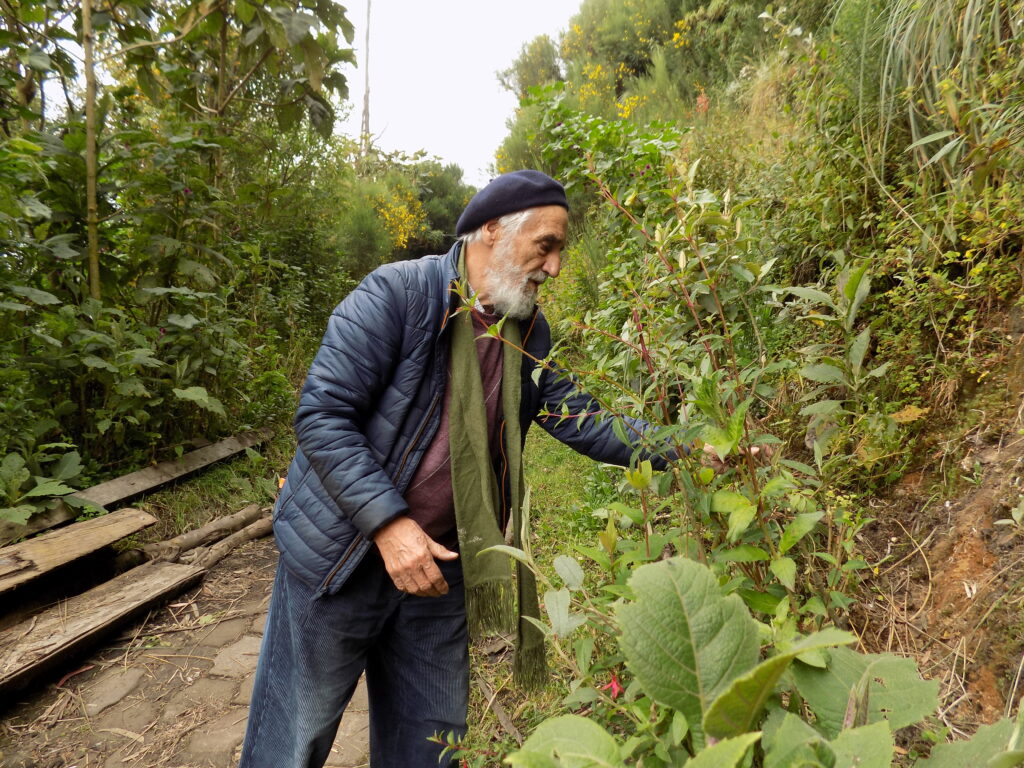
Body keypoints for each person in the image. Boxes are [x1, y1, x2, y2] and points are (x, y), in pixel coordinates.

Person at [239, 170, 682, 768]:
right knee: (292, 743)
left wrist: (690, 445)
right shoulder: (397, 295)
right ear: (491, 230)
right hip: (343, 562)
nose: (554, 268)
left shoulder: (527, 331)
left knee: (429, 746)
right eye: (545, 246)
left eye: (560, 250)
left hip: (440, 572)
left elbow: (580, 416)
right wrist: (390, 528)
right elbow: (322, 415)